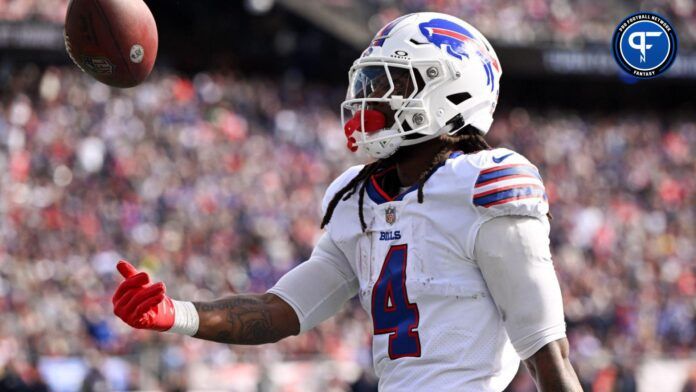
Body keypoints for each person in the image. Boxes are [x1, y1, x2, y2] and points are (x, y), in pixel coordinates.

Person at [112, 12, 582, 391]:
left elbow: (546, 353)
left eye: (392, 83)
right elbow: (281, 311)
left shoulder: (485, 185)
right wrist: (178, 314)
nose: (370, 98)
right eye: (371, 83)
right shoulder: (359, 200)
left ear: (450, 91)